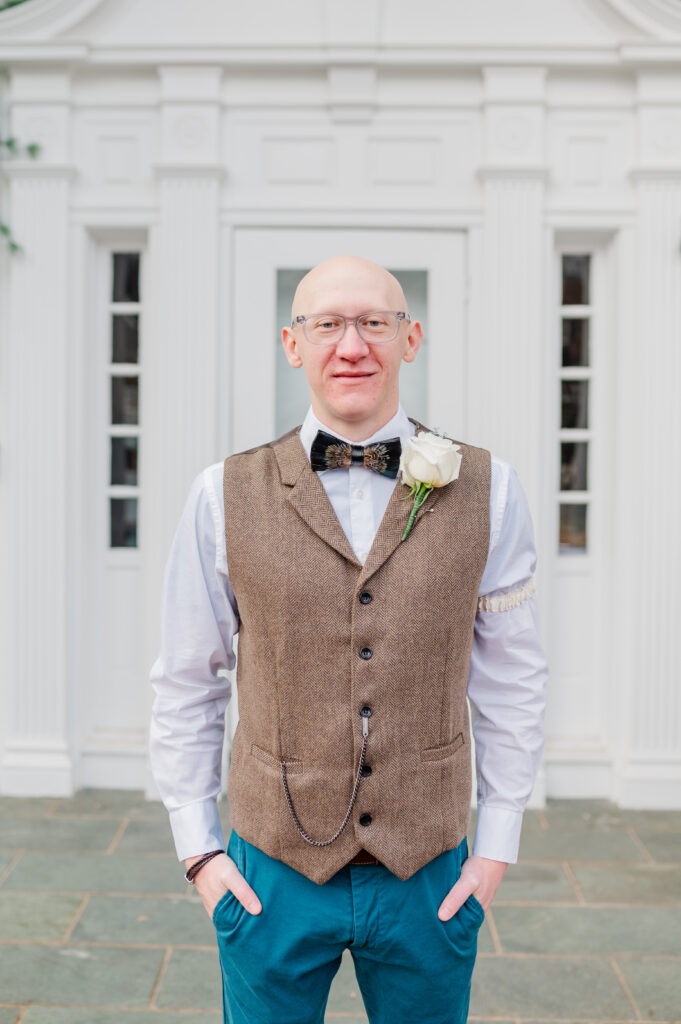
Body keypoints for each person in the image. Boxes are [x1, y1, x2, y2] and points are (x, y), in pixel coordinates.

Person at [148, 255, 548, 1024]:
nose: (351, 344)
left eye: (374, 322)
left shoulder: (491, 489)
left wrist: (495, 845)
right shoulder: (221, 494)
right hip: (270, 872)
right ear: (293, 345)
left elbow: (512, 676)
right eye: (326, 324)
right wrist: (199, 852)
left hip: (428, 873)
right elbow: (188, 677)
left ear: (410, 338)